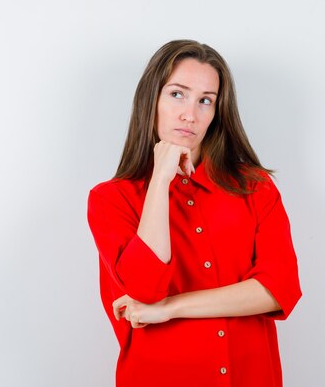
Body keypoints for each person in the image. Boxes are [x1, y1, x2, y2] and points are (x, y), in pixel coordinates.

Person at [87, 39, 302, 387]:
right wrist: (160, 179)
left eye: (205, 101)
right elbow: (145, 289)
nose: (190, 114)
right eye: (177, 94)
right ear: (151, 99)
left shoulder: (255, 187)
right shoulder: (111, 199)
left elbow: (279, 289)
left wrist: (171, 308)